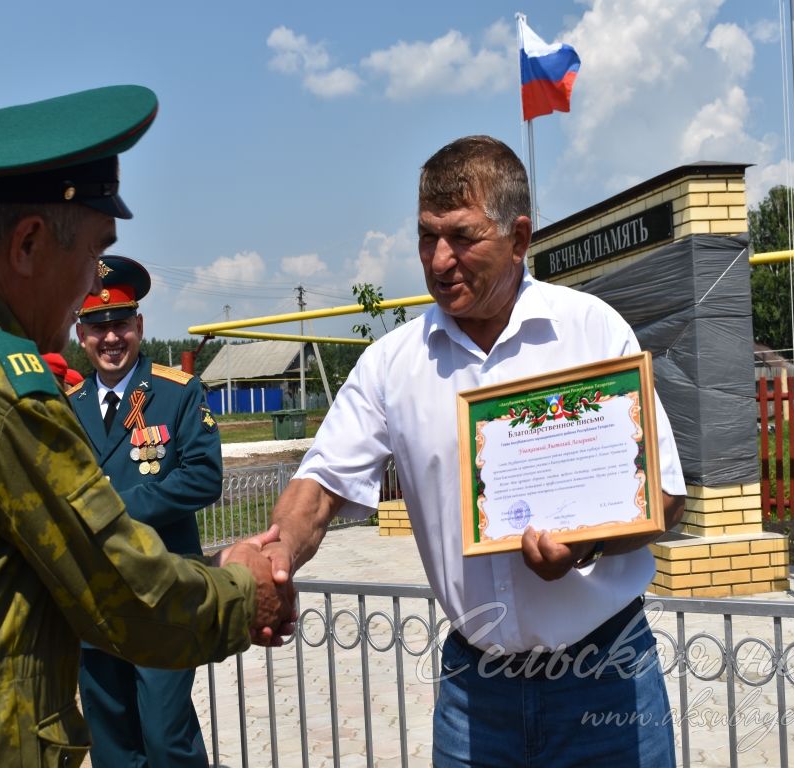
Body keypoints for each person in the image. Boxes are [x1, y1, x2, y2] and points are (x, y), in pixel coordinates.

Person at [0, 85, 292, 768]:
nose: (86, 303)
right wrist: (249, 594)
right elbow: (127, 594)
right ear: (31, 242)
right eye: (92, 258)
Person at [264, 136, 687, 766]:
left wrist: (589, 544)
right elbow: (320, 485)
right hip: (474, 698)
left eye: (462, 237)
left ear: (519, 238)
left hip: (607, 678)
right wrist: (274, 551)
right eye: (425, 237)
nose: (439, 261)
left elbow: (667, 498)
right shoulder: (390, 366)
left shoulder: (592, 331)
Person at [69, 255, 221, 767]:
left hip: (164, 595)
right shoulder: (66, 406)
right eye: (97, 326)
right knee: (111, 742)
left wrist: (114, 510)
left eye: (119, 325)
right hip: (96, 601)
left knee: (165, 738)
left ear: (139, 325)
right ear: (81, 333)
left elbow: (203, 474)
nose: (110, 338)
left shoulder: (177, 392)